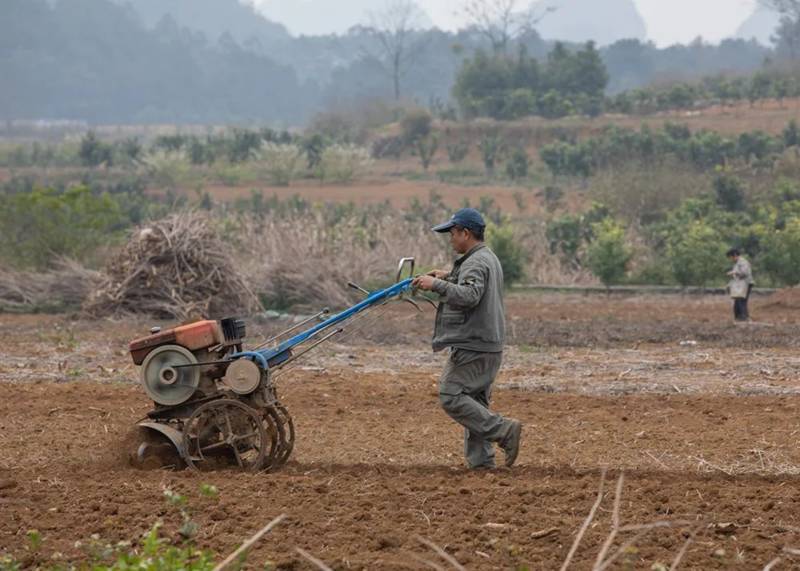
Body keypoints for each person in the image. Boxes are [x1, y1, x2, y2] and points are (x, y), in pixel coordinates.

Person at [412, 208, 522, 469]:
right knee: (474, 402)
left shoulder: (474, 262)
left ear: (466, 232)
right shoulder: (486, 257)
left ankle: (504, 431)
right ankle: (482, 464)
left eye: (452, 233)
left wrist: (436, 285)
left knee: (450, 394)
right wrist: (447, 277)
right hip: (488, 343)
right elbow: (473, 288)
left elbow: (470, 296)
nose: (450, 238)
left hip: (474, 343)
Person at [726, 248, 754, 322]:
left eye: (730, 257)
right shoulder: (737, 263)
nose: (730, 259)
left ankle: (744, 318)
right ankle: (739, 318)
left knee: (741, 301)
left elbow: (745, 273)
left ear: (734, 255)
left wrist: (734, 272)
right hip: (740, 284)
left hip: (745, 283)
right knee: (738, 301)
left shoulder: (743, 262)